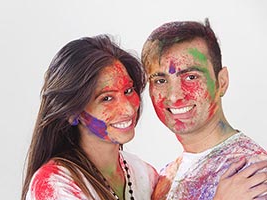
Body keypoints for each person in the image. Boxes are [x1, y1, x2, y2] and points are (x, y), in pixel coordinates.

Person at [22, 34, 266, 200]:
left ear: (221, 82)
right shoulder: (53, 184)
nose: (128, 108)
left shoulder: (146, 176)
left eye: (128, 91)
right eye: (106, 98)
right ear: (72, 112)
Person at [141, 18, 267, 199]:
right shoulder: (164, 176)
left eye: (191, 77)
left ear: (221, 82)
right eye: (160, 81)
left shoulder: (251, 174)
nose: (174, 96)